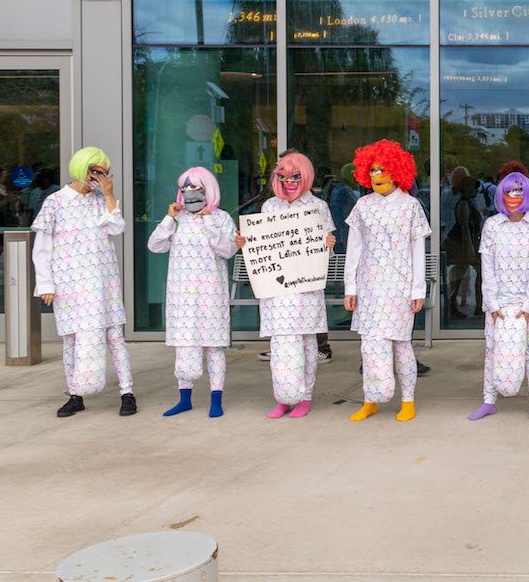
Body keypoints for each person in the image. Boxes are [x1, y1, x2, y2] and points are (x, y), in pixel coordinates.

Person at [33, 147, 136, 417]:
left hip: (103, 279)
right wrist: (45, 284)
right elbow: (42, 246)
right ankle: (74, 394)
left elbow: (117, 228)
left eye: (105, 172)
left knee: (114, 335)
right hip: (69, 281)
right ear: (82, 169)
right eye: (96, 172)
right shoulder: (55, 201)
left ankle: (127, 392)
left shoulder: (103, 200)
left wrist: (110, 194)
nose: (100, 178)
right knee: (72, 338)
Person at [344, 139, 430, 423]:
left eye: (383, 169)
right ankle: (370, 400)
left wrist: (419, 288)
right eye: (373, 170)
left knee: (401, 343)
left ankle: (408, 400)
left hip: (400, 285)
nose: (377, 175)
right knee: (369, 345)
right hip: (369, 286)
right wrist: (350, 287)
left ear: (397, 171)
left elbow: (418, 249)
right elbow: (353, 248)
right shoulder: (362, 205)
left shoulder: (411, 206)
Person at [246, 150, 335, 419]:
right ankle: (283, 397)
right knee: (280, 344)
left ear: (305, 176)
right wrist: (245, 242)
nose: (289, 182)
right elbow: (260, 244)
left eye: (295, 176)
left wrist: (328, 245)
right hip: (276, 289)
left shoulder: (318, 206)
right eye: (283, 176)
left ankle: (304, 396)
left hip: (306, 288)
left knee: (307, 342)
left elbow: (324, 249)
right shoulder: (270, 206)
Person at [147, 166, 238, 418]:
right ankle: (184, 398)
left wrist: (209, 221)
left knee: (213, 346)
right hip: (181, 295)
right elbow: (155, 246)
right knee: (184, 346)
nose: (189, 194)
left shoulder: (221, 218)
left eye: (195, 189)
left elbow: (227, 250)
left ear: (207, 190)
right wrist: (169, 218)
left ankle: (216, 398)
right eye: (184, 189)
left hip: (211, 293)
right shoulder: (178, 219)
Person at [468, 171, 529, 422]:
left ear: (527, 195)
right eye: (508, 192)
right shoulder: (492, 225)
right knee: (492, 350)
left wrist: (527, 304)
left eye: (518, 192)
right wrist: (492, 303)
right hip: (498, 302)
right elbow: (487, 266)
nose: (513, 197)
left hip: (528, 302)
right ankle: (488, 401)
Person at [442, 167, 483, 320]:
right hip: (462, 246)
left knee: (458, 277)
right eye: (473, 187)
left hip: (464, 245)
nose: (476, 191)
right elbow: (465, 228)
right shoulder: (463, 204)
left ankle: (454, 306)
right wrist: (471, 250)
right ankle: (476, 306)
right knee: (466, 276)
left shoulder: (467, 203)